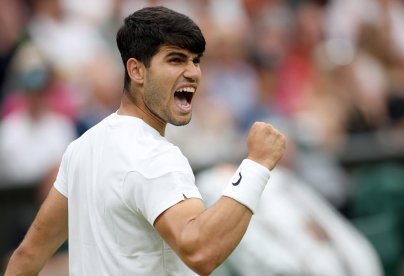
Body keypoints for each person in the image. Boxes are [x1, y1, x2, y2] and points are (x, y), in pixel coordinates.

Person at [4, 6, 286, 276]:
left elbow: (26, 257)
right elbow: (201, 251)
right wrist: (256, 165)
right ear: (136, 70)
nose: (193, 72)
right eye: (176, 59)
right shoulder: (154, 155)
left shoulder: (80, 149)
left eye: (196, 60)